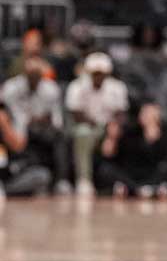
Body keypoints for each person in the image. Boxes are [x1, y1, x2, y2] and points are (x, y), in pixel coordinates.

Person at [65, 52, 131, 196]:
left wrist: (112, 133)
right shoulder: (77, 86)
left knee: (128, 132)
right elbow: (76, 114)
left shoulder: (117, 87)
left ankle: (127, 181)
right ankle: (84, 179)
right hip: (89, 127)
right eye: (95, 73)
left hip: (110, 127)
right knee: (83, 133)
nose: (99, 77)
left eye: (102, 73)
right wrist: (96, 123)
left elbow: (121, 114)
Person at [1, 57, 69, 190]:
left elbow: (57, 121)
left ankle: (62, 180)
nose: (33, 78)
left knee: (60, 138)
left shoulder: (51, 89)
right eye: (30, 74)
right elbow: (12, 115)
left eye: (36, 74)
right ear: (24, 73)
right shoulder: (11, 88)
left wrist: (44, 122)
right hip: (15, 129)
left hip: (41, 130)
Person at [96, 103, 167, 199]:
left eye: (148, 114)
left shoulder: (166, 134)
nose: (144, 116)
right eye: (143, 113)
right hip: (131, 174)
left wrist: (154, 139)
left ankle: (143, 188)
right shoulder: (131, 132)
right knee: (106, 169)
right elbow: (110, 154)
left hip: (153, 174)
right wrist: (112, 138)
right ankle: (142, 189)